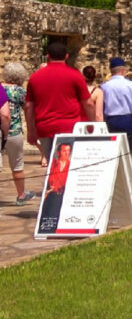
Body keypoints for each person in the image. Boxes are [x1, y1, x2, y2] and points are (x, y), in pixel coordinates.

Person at [25, 42, 89, 166]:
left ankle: (53, 185)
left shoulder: (35, 77)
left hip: (45, 125)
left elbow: (28, 107)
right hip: (69, 126)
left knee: (51, 165)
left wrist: (31, 130)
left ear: (48, 56)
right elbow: (88, 103)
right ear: (66, 56)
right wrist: (93, 123)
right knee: (66, 164)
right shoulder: (75, 75)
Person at [1, 62, 36, 205]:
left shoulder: (0, 88)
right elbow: (27, 108)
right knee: (17, 165)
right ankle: (21, 195)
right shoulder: (20, 91)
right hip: (13, 131)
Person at [98, 57, 132, 151]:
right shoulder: (131, 85)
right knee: (127, 150)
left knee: (112, 150)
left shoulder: (104, 86)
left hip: (111, 121)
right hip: (127, 120)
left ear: (111, 71)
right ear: (124, 71)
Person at [41, 141, 72, 222]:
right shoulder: (53, 163)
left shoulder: (72, 166)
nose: (67, 153)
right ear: (58, 153)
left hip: (63, 197)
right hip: (50, 196)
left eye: (68, 151)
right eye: (64, 151)